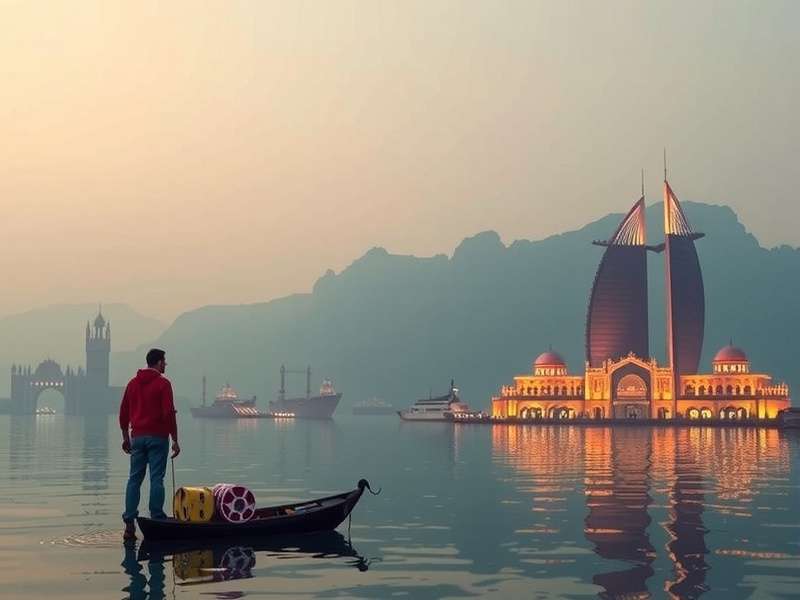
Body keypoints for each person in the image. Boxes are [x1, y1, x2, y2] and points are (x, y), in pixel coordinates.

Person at [119, 348, 180, 540]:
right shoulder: (163, 384)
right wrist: (175, 439)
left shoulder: (132, 384)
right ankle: (157, 518)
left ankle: (129, 525)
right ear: (159, 362)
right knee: (156, 478)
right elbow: (168, 413)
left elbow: (123, 413)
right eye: (164, 361)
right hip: (158, 437)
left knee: (134, 479)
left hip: (137, 438)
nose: (166, 365)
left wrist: (125, 437)